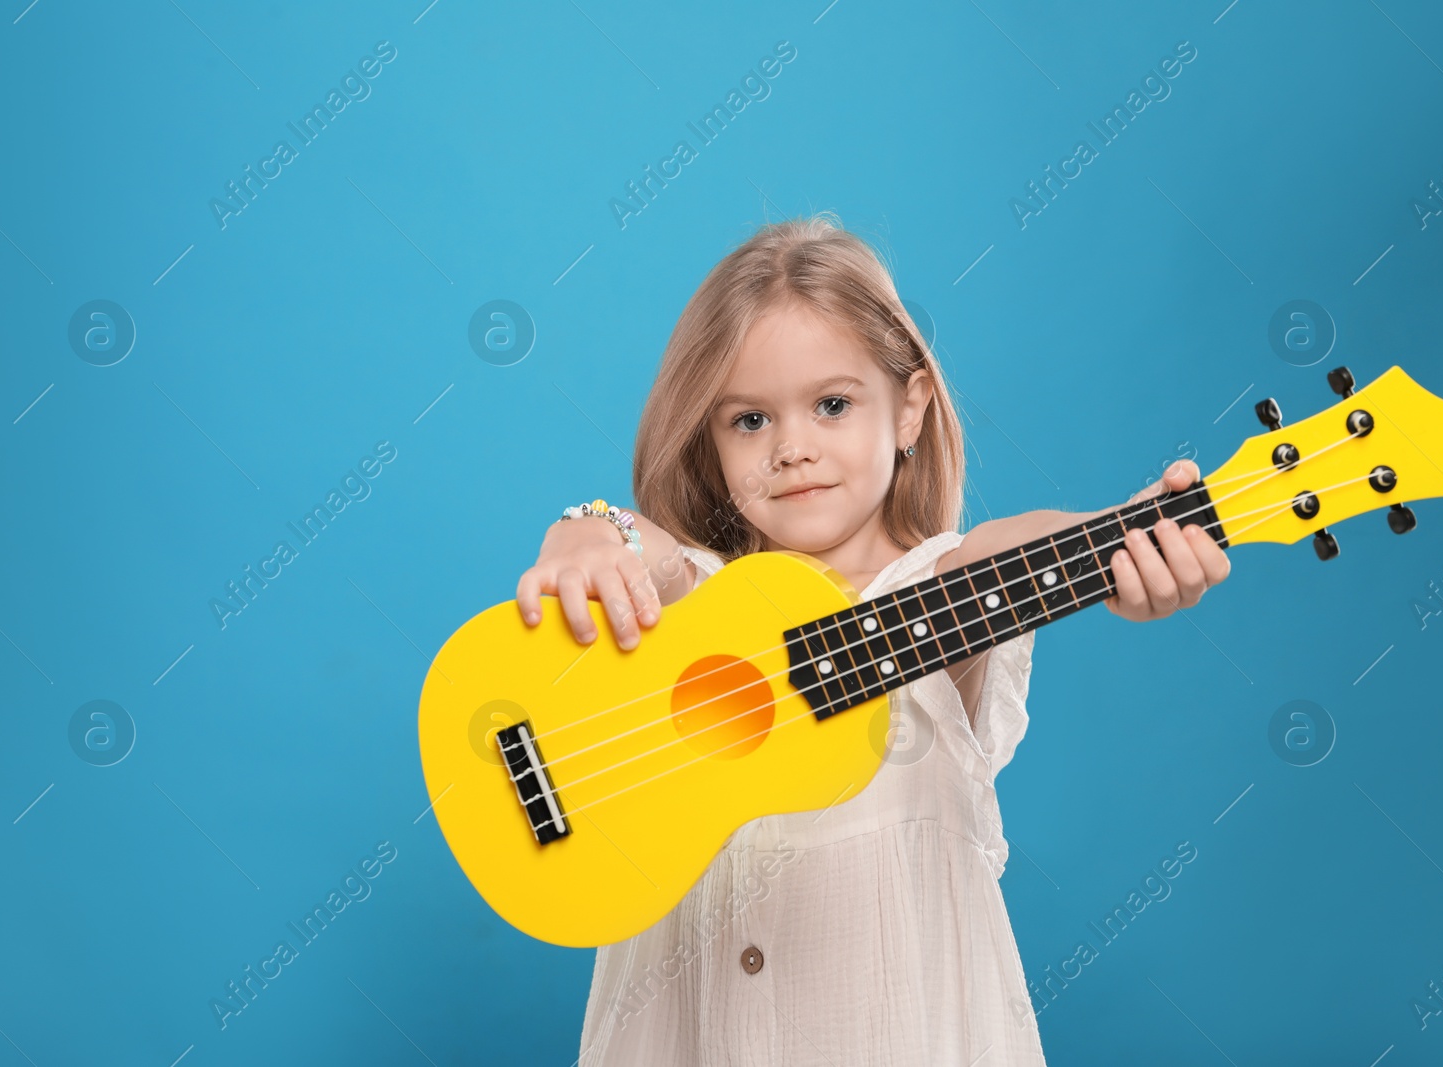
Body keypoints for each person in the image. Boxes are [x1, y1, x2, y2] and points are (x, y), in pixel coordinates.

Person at [514, 214, 1231, 1065]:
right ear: (708, 440)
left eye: (831, 404)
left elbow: (1009, 549)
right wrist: (591, 531)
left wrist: (1123, 539)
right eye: (748, 420)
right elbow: (652, 554)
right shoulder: (698, 607)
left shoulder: (938, 594)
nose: (792, 448)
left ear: (909, 408)